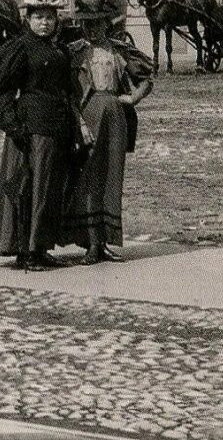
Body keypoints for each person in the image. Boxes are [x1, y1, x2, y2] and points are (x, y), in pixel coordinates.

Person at [0, 0, 81, 271]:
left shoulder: (60, 49)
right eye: (38, 17)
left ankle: (41, 248)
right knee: (31, 190)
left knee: (51, 190)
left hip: (57, 127)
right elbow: (1, 88)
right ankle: (25, 251)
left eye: (49, 17)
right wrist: (13, 123)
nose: (44, 23)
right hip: (32, 129)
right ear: (28, 19)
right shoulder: (20, 48)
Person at [61, 14, 155, 263]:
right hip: (88, 115)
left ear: (106, 24)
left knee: (112, 177)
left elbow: (146, 78)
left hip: (115, 116)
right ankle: (91, 243)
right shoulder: (75, 52)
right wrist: (79, 123)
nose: (92, 29)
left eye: (97, 23)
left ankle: (105, 243)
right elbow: (68, 93)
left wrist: (133, 98)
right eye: (87, 24)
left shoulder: (120, 50)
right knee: (88, 177)